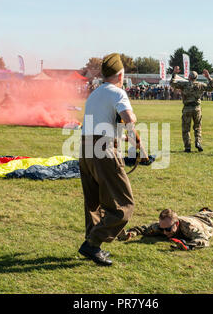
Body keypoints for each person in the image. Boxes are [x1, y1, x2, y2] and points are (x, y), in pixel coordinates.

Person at [78, 53, 140, 266]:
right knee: (124, 204)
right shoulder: (118, 92)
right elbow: (129, 119)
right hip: (103, 149)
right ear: (120, 74)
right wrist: (136, 143)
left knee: (93, 203)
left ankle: (92, 243)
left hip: (85, 148)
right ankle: (92, 245)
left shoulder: (94, 94)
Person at [170, 66, 213, 152]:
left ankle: (187, 147)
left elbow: (172, 84)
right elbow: (212, 87)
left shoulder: (184, 84)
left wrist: (174, 73)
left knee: (186, 129)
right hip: (197, 108)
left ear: (189, 77)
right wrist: (208, 77)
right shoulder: (200, 85)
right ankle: (198, 142)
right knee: (197, 127)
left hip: (187, 108)